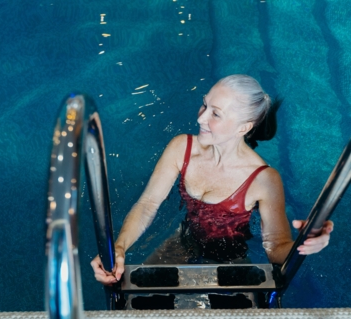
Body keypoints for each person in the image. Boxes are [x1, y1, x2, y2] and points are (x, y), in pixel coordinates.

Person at [91, 75, 333, 285]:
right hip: (185, 239)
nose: (200, 118)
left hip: (230, 258)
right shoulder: (181, 147)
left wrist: (305, 243)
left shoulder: (264, 180)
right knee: (143, 302)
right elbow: (147, 205)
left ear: (243, 128)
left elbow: (275, 247)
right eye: (204, 105)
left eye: (215, 113)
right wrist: (120, 247)